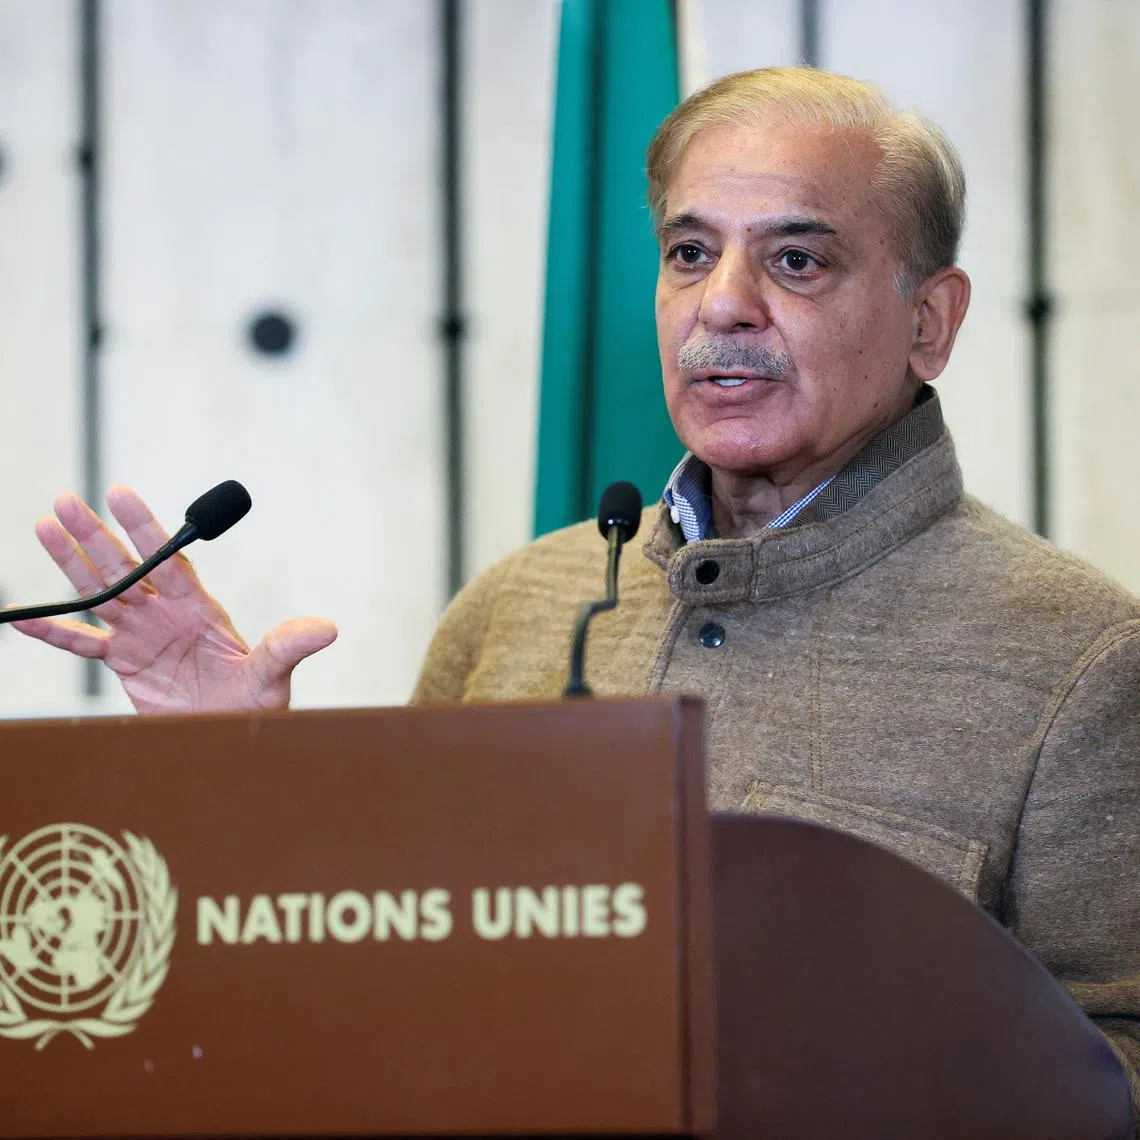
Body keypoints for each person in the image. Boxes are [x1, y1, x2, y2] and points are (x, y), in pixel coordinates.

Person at [11, 68, 1140, 1106]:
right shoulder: (520, 605)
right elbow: (380, 989)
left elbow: (1113, 1077)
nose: (723, 306)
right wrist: (240, 791)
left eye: (797, 260)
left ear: (930, 321)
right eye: (690, 253)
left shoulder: (1081, 659)